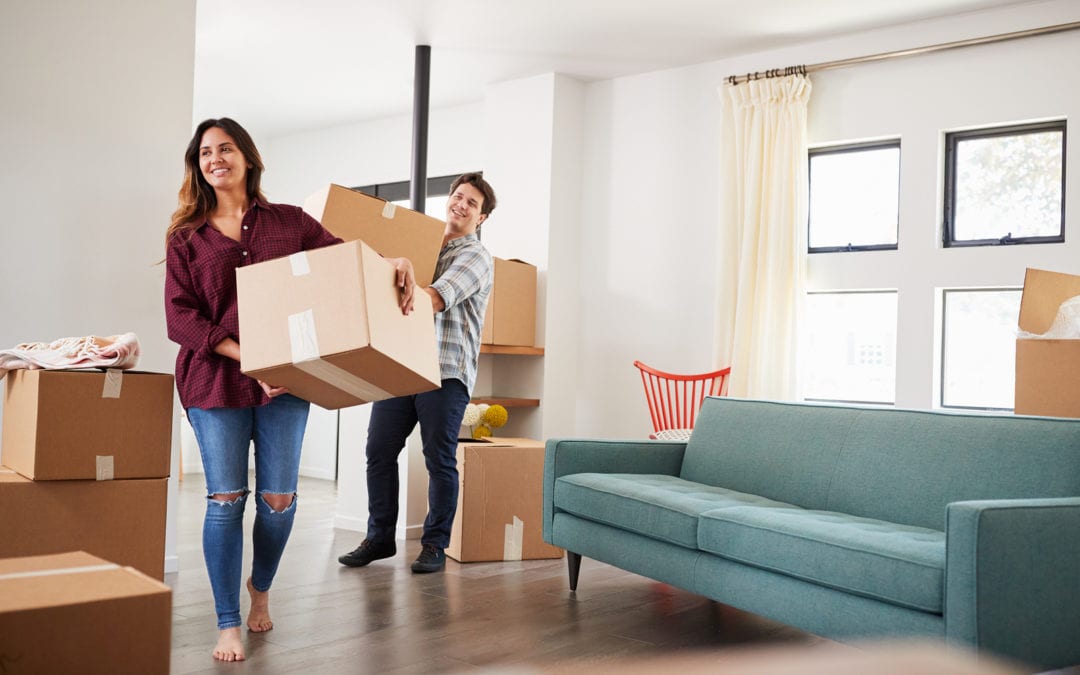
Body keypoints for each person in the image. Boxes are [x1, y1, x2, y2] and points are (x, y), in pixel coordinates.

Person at [164, 117, 342, 662]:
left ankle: (259, 588)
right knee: (224, 500)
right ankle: (226, 623)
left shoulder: (292, 222)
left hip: (287, 382)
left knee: (279, 500)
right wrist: (250, 357)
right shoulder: (186, 237)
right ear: (198, 166)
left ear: (247, 157)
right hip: (214, 378)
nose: (215, 158)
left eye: (226, 148)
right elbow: (180, 318)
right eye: (205, 153)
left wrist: (395, 262)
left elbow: (343, 267)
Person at [338, 172, 497, 574]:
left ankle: (434, 545)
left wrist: (401, 275)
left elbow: (435, 298)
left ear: (482, 218)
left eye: (472, 203)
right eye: (458, 196)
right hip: (400, 366)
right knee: (378, 451)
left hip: (445, 372)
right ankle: (379, 538)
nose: (460, 204)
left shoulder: (476, 257)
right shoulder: (421, 246)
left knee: (438, 459)